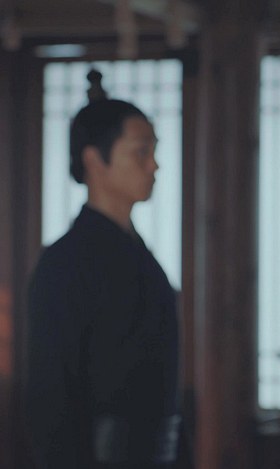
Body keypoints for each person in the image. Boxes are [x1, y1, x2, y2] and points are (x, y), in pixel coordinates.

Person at [25, 73, 185, 469]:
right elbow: (51, 397)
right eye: (141, 152)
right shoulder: (65, 262)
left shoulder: (137, 253)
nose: (154, 165)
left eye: (154, 151)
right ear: (94, 159)